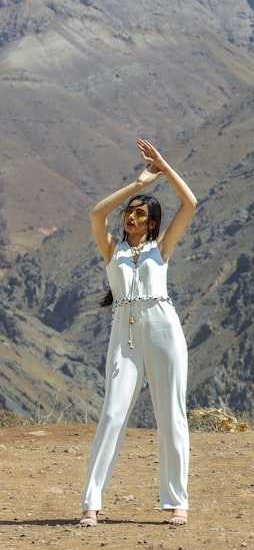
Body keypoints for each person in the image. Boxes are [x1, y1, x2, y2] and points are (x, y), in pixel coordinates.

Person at [79, 139, 198, 527]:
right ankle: (91, 504)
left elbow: (191, 204)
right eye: (130, 213)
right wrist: (136, 185)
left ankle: (175, 502)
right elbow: (97, 214)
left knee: (171, 414)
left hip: (163, 329)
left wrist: (164, 166)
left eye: (140, 213)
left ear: (151, 222)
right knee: (113, 414)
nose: (131, 217)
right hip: (124, 334)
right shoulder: (111, 248)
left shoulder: (160, 249)